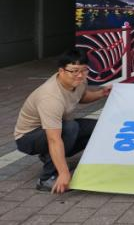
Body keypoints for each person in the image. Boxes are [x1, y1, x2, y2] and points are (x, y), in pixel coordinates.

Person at [14, 49, 111, 193]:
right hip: (28, 138)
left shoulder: (79, 81)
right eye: (74, 71)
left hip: (54, 129)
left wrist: (102, 93)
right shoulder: (50, 97)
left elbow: (81, 97)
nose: (80, 75)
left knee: (99, 128)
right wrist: (64, 173)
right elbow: (54, 139)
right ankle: (46, 178)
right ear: (61, 71)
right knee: (70, 128)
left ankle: (51, 157)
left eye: (84, 70)